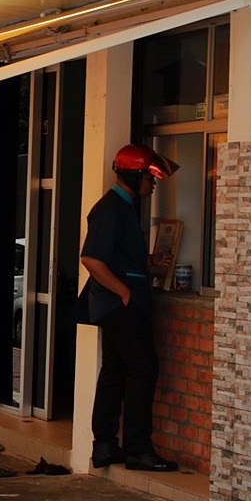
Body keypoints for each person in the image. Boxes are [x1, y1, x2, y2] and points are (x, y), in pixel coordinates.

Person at [78, 143, 181, 473]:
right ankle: (138, 449)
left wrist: (147, 263)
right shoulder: (112, 209)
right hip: (120, 307)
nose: (153, 185)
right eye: (150, 179)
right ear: (135, 177)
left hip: (116, 305)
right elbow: (91, 259)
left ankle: (105, 445)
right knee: (143, 369)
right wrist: (124, 292)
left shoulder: (123, 207)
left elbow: (117, 257)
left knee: (115, 370)